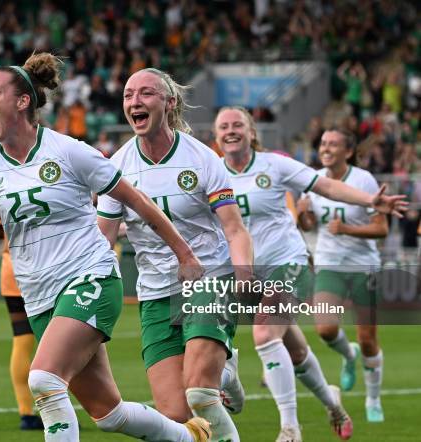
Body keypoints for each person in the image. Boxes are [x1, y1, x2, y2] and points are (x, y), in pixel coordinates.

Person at [0, 52, 211, 442]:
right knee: (109, 414)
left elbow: (136, 200)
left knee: (42, 378)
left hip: (90, 278)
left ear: (23, 101)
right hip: (40, 298)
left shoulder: (68, 151)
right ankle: (190, 437)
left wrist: (184, 253)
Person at [214, 107, 406, 442]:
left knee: (264, 335)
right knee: (296, 352)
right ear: (216, 136)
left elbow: (326, 186)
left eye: (237, 125)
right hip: (248, 275)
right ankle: (333, 403)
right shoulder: (211, 171)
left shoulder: (274, 164)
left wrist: (370, 200)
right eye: (223, 126)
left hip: (288, 263)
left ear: (252, 131)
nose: (230, 131)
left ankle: (290, 428)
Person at [97, 68, 252, 442]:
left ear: (169, 103)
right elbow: (103, 241)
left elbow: (233, 228)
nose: (135, 101)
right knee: (178, 418)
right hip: (155, 294)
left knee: (199, 393)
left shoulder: (202, 158)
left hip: (208, 278)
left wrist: (245, 275)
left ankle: (218, 371)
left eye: (146, 93)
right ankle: (226, 370)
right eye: (128, 94)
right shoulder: (115, 168)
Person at [297, 128, 388, 423]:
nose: (326, 148)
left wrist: (347, 229)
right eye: (323, 143)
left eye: (333, 144)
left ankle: (373, 399)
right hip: (328, 263)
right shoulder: (314, 180)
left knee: (369, 339)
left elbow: (382, 228)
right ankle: (349, 356)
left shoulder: (364, 180)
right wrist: (302, 216)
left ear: (347, 152)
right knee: (324, 329)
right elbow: (311, 226)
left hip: (364, 265)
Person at [0, 207, 43, 431]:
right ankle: (57, 410)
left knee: (21, 341)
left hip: (12, 269)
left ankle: (26, 413)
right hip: (43, 269)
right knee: (61, 344)